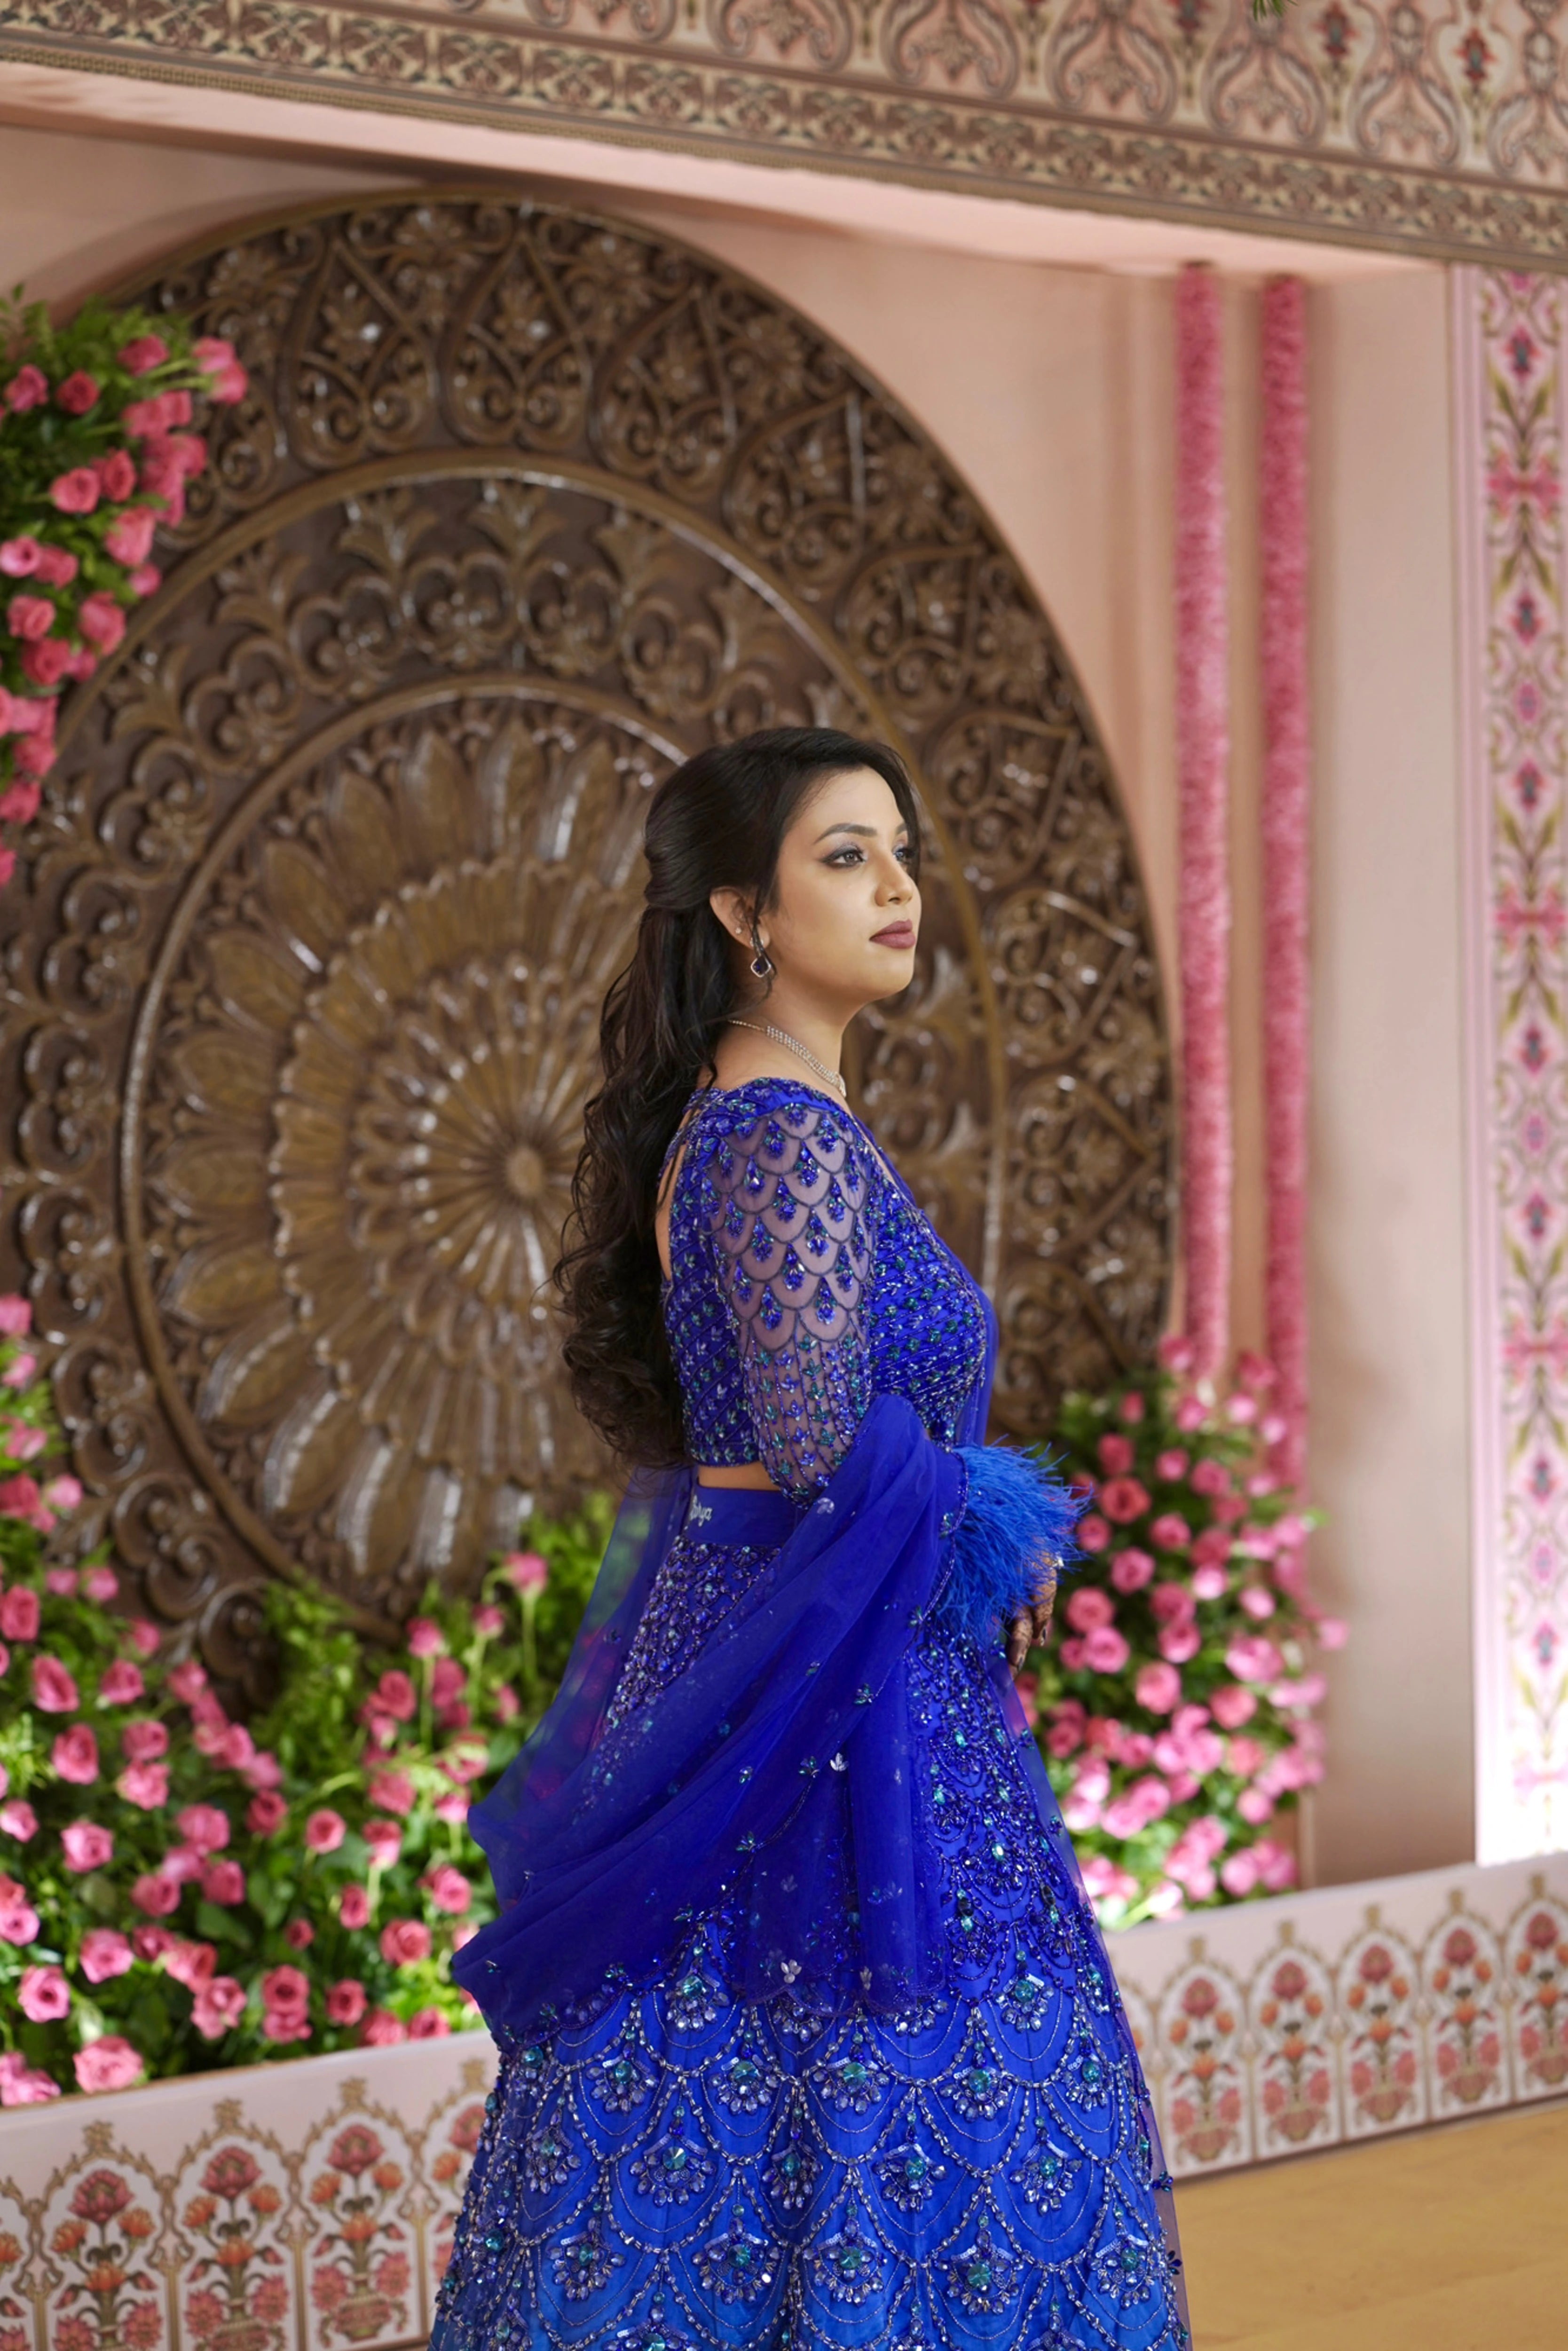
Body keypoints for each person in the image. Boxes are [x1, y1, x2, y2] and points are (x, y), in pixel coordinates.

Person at [432, 728, 1190, 2351]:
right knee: (861, 2047)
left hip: (810, 1649)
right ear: (741, 909)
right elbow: (814, 1437)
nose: (899, 885)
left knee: (791, 2076)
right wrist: (1004, 1527)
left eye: (900, 849)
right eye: (847, 855)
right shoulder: (778, 1133)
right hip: (830, 1697)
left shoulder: (763, 1118)